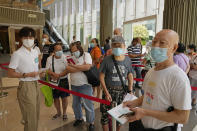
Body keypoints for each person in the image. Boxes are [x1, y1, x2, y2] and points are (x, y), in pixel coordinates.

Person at [124, 29, 191, 131]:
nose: (156, 46)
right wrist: (134, 102)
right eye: (154, 42)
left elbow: (182, 117)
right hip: (143, 126)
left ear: (174, 47)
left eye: (162, 43)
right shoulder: (151, 72)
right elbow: (148, 95)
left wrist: (145, 112)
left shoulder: (178, 77)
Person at [8, 27, 41, 131]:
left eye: (31, 37)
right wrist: (26, 74)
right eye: (25, 37)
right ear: (21, 39)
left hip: (36, 84)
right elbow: (10, 73)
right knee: (30, 117)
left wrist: (41, 72)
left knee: (35, 114)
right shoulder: (17, 54)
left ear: (34, 38)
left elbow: (37, 66)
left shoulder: (35, 51)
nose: (28, 39)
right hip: (26, 86)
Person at [100, 36, 134, 131]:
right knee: (105, 116)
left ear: (124, 46)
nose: (117, 48)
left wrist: (130, 89)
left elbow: (130, 74)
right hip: (109, 91)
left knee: (121, 116)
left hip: (122, 92)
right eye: (114, 46)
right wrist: (106, 92)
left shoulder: (127, 60)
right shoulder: (107, 60)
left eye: (119, 46)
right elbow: (101, 76)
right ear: (111, 47)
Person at [66, 42, 95, 131]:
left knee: (88, 104)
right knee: (75, 104)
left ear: (80, 48)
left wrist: (74, 66)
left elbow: (87, 67)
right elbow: (68, 69)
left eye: (76, 50)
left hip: (85, 84)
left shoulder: (86, 55)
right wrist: (81, 67)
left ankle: (91, 122)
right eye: (72, 50)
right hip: (74, 84)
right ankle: (79, 118)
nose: (74, 52)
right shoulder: (71, 57)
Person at [46, 43, 70, 121]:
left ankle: (65, 113)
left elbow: (68, 69)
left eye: (61, 49)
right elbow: (47, 69)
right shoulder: (49, 59)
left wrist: (59, 75)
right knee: (56, 98)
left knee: (64, 97)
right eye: (57, 50)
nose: (60, 51)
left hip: (63, 80)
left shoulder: (65, 57)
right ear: (54, 51)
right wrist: (53, 74)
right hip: (54, 81)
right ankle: (58, 112)